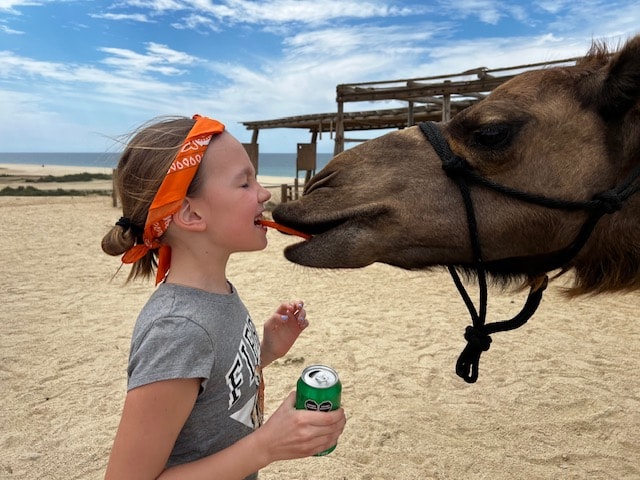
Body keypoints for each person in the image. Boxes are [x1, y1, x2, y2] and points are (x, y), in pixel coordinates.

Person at [101, 114, 346, 480]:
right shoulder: (177, 329)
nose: (263, 193)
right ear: (190, 212)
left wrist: (265, 351)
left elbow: (209, 392)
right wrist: (267, 446)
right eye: (245, 183)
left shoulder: (217, 293)